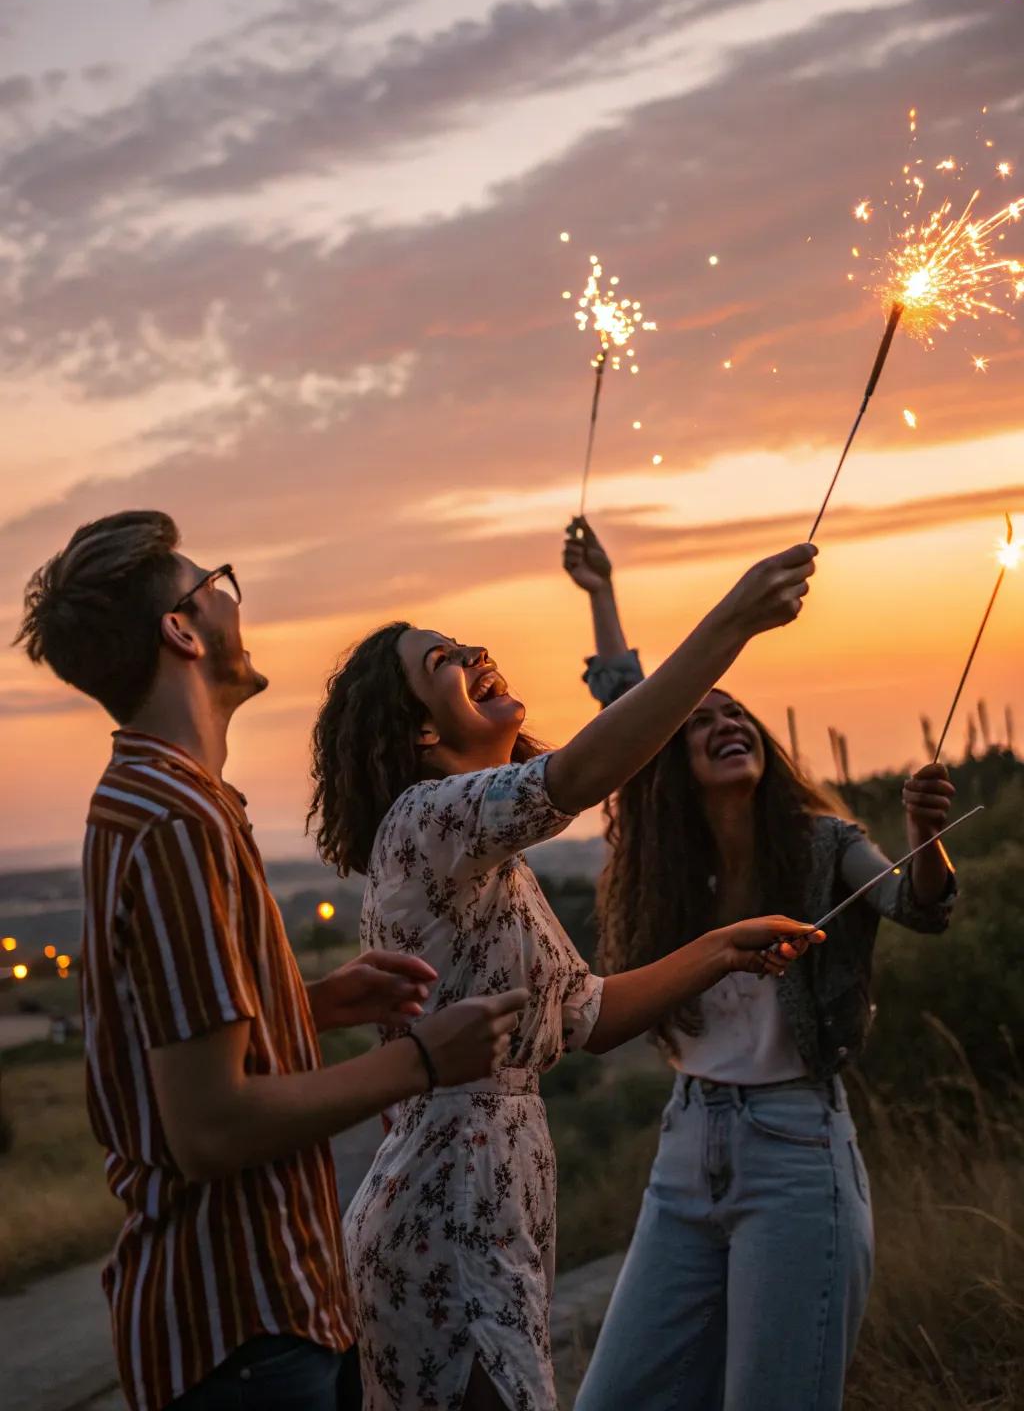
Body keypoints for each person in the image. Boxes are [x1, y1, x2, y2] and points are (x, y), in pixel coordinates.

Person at [16, 511, 526, 1411]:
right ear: (182, 629)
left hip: (263, 1320)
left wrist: (308, 1002)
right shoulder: (177, 818)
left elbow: (158, 1039)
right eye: (215, 582)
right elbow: (209, 1129)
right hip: (240, 1331)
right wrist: (421, 1061)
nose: (230, 600)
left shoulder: (160, 796)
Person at [307, 539, 823, 1411]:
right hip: (446, 1221)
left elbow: (586, 1017)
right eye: (444, 661)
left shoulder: (489, 866)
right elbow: (582, 773)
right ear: (422, 732)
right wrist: (733, 622)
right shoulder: (421, 820)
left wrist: (722, 946)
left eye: (466, 643)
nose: (475, 654)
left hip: (489, 1216)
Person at [562, 517, 958, 1411]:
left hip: (795, 1153)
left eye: (735, 712)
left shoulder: (824, 843)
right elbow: (634, 704)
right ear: (673, 760)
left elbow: (916, 906)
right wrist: (601, 592)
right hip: (685, 1146)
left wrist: (926, 841)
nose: (723, 721)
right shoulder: (667, 870)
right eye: (700, 720)